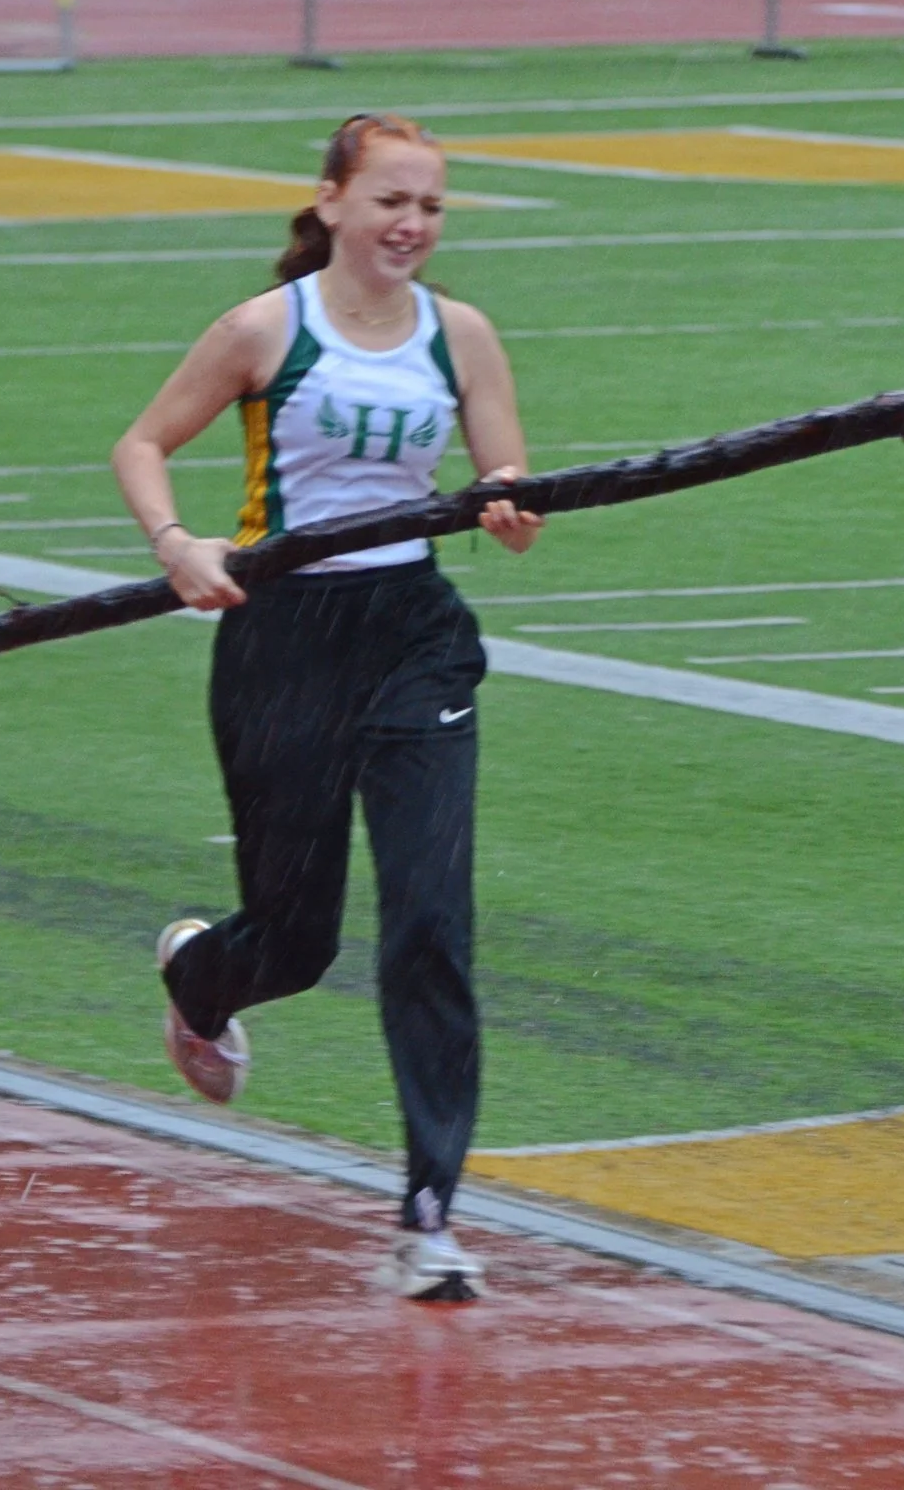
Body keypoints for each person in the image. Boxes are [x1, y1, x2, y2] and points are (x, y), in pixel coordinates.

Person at [112, 113, 544, 1301]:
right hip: (284, 640)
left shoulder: (461, 336)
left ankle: (428, 1216)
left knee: (429, 924)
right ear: (332, 203)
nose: (412, 225)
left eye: (431, 207)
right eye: (391, 201)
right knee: (297, 942)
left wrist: (508, 501)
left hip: (415, 641)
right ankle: (204, 976)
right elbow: (142, 444)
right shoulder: (266, 329)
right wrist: (177, 544)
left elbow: (507, 484)